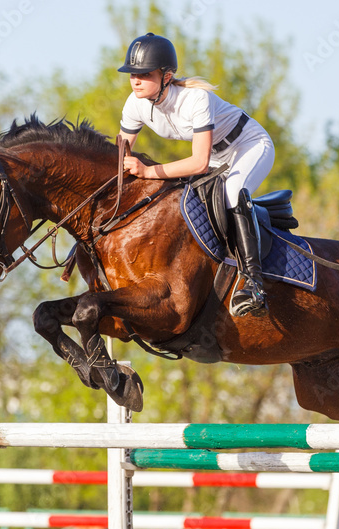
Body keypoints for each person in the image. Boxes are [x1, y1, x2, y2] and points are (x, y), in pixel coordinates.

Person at [116, 32, 275, 318]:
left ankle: (254, 283)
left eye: (144, 74)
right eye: (132, 74)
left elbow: (199, 162)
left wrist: (148, 170)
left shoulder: (195, 99)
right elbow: (117, 160)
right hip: (215, 155)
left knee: (232, 191)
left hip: (248, 144)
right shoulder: (135, 103)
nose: (136, 80)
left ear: (167, 76)